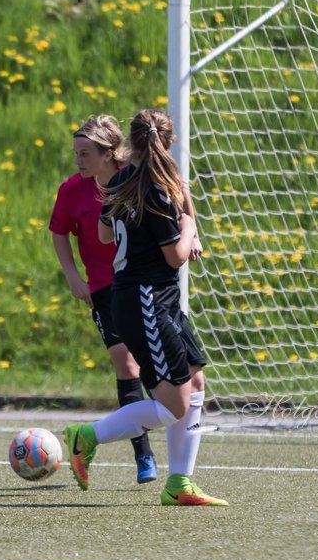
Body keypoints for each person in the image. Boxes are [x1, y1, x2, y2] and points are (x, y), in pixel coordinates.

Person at [63, 108, 226, 506]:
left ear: (130, 144)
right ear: (167, 143)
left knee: (195, 380)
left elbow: (103, 234)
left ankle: (179, 483)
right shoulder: (153, 190)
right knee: (174, 405)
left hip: (155, 299)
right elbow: (175, 257)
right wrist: (189, 227)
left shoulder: (121, 180)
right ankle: (87, 436)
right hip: (145, 301)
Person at [49, 114, 157, 483]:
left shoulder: (136, 177)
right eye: (76, 153)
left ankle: (137, 425)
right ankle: (144, 456)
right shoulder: (71, 190)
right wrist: (73, 277)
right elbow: (59, 232)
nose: (78, 160)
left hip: (146, 283)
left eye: (85, 153)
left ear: (110, 153)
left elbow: (177, 196)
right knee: (126, 367)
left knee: (157, 373)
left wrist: (191, 230)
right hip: (104, 288)